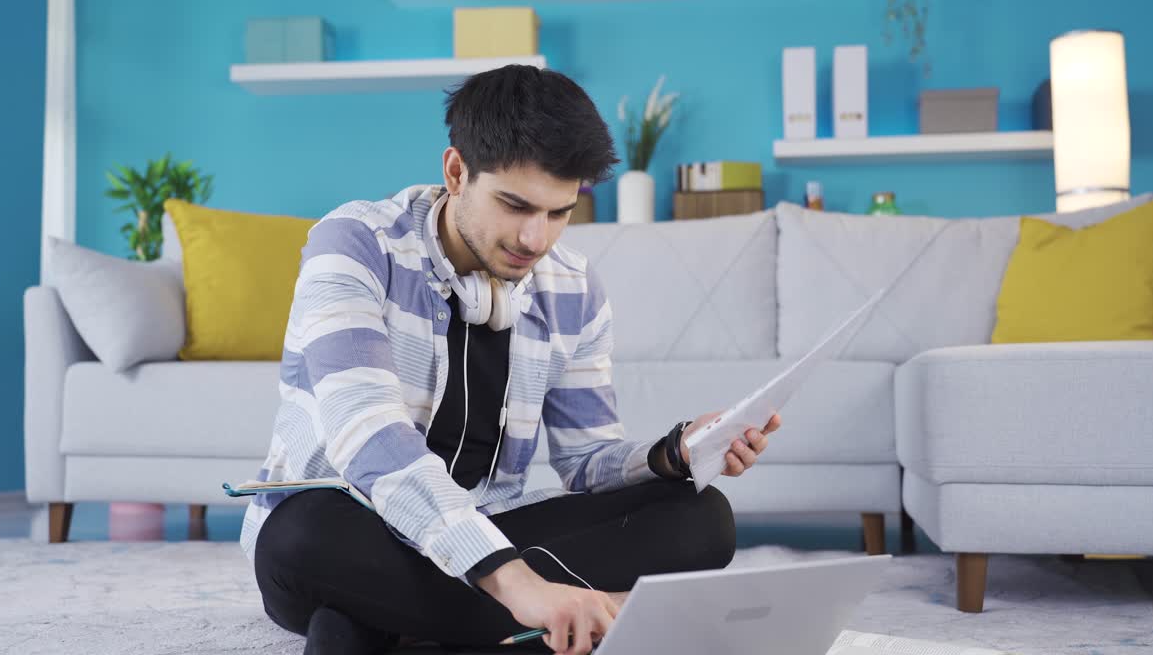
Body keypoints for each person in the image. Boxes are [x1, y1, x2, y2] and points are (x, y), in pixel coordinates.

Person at [243, 64, 782, 655]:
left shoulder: (573, 288)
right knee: (298, 533)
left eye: (558, 212)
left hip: (486, 525)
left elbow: (586, 461)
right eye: (515, 205)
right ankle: (550, 622)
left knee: (701, 516)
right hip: (355, 524)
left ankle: (373, 624)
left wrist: (677, 451)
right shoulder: (354, 245)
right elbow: (369, 436)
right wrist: (519, 584)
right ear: (456, 171)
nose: (535, 239)